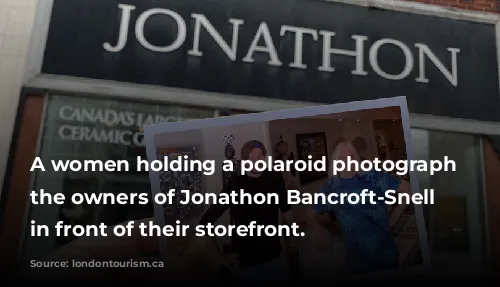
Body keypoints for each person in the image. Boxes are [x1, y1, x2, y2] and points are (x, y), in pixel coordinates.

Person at [197, 140, 296, 283]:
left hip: (275, 258)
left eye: (260, 155)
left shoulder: (275, 177)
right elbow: (205, 222)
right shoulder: (235, 184)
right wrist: (218, 257)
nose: (258, 160)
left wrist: (293, 235)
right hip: (247, 266)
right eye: (252, 157)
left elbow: (286, 209)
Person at [307, 141, 412, 275]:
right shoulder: (331, 188)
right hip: (357, 261)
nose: (347, 162)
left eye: (351, 157)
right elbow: (310, 213)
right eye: (342, 158)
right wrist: (318, 229)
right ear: (335, 162)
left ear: (356, 158)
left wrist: (394, 217)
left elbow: (407, 188)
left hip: (385, 255)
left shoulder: (372, 177)